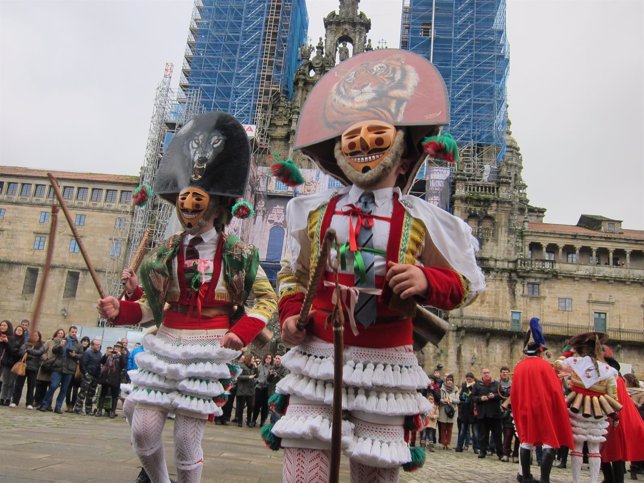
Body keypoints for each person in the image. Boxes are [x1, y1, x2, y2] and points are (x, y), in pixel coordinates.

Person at [266, 49, 485, 482]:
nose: (363, 142)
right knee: (303, 473)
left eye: (377, 133)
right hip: (318, 355)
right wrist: (291, 316)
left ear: (402, 152)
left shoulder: (424, 220)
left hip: (387, 361)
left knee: (375, 475)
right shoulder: (311, 213)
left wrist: (427, 279)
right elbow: (293, 275)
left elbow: (466, 286)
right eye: (352, 135)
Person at [97, 110, 277, 483]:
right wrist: (120, 310)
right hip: (165, 344)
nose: (189, 203)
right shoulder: (166, 249)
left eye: (198, 197)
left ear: (217, 204)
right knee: (143, 429)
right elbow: (150, 307)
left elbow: (265, 300)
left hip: (209, 346)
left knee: (184, 442)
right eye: (184, 197)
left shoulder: (239, 254)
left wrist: (240, 333)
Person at [511, 317, 574, 483]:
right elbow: (555, 390)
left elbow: (514, 392)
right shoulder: (546, 366)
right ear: (540, 350)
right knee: (548, 442)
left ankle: (525, 477)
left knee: (526, 441)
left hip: (524, 408)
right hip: (543, 408)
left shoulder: (519, 367)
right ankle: (544, 479)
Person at [554, 332, 620, 483]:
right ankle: (593, 481)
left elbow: (557, 364)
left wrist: (569, 351)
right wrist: (615, 415)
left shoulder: (574, 362)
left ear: (582, 349)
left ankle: (576, 480)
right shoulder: (609, 371)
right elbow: (613, 397)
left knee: (577, 446)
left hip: (577, 405)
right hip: (598, 409)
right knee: (594, 447)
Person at [600, 357, 644, 483]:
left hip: (614, 419)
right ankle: (609, 479)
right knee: (604, 453)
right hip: (610, 418)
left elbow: (614, 400)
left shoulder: (616, 380)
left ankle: (614, 480)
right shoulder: (614, 379)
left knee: (615, 454)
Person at [39, 325, 82, 414]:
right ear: (69, 332)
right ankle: (44, 404)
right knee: (53, 386)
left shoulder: (78, 344)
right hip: (58, 367)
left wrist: (75, 355)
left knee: (64, 389)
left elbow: (82, 355)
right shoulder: (63, 340)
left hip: (69, 369)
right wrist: (60, 346)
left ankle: (58, 407)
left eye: (75, 332)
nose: (73, 333)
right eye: (72, 332)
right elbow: (54, 351)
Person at [472, 368, 503, 460]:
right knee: (483, 434)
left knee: (497, 434)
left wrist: (494, 396)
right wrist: (480, 398)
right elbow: (473, 397)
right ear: (482, 374)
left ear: (490, 373)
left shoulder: (496, 384)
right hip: (483, 413)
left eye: (488, 373)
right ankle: (483, 451)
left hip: (494, 414)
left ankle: (500, 453)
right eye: (485, 373)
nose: (486, 374)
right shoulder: (477, 385)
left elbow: (502, 395)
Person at [12, 330, 45, 409]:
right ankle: (15, 401)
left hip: (34, 368)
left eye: (36, 336)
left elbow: (39, 352)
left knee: (31, 386)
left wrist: (28, 351)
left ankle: (29, 403)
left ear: (39, 337)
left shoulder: (41, 345)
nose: (35, 337)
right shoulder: (26, 344)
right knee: (18, 385)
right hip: (24, 366)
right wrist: (29, 354)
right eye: (33, 335)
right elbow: (21, 352)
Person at [34, 328, 65, 408]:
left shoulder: (64, 344)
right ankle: (38, 401)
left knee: (51, 386)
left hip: (55, 367)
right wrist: (45, 358)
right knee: (42, 385)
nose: (60, 335)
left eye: (62, 333)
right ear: (56, 334)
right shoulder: (49, 342)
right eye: (59, 333)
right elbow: (43, 351)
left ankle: (48, 404)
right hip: (47, 365)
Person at [74, 338, 102, 415]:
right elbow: (82, 364)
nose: (98, 346)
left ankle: (88, 409)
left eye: (99, 344)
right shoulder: (87, 353)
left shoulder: (99, 353)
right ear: (92, 345)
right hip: (88, 376)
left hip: (95, 376)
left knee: (91, 394)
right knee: (83, 392)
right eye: (97, 344)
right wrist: (86, 374)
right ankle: (78, 408)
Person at [65, 335, 90, 412]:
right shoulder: (78, 347)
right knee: (68, 388)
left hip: (80, 372)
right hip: (73, 369)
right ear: (81, 341)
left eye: (87, 341)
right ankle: (67, 404)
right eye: (84, 341)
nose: (85, 342)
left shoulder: (88, 351)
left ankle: (72, 405)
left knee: (76, 389)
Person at [1, 324, 23, 406]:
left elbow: (21, 352)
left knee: (12, 382)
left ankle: (8, 398)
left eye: (21, 330)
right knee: (5, 382)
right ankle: (2, 398)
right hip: (7, 362)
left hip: (16, 364)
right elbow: (8, 349)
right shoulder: (10, 338)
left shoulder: (23, 341)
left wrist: (15, 351)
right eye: (17, 330)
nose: (19, 331)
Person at [456, 371, 478, 453]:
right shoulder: (464, 385)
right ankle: (459, 446)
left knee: (475, 431)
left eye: (470, 379)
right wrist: (463, 396)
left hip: (473, 411)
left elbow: (476, 396)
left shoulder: (476, 385)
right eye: (467, 379)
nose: (468, 380)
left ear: (473, 378)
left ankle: (476, 448)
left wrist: (471, 395)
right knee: (463, 430)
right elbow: (461, 396)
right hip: (465, 410)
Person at [234, 353, 257, 427]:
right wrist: (248, 377)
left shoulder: (253, 367)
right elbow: (238, 376)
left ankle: (249, 421)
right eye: (253, 358)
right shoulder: (241, 366)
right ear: (249, 359)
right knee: (241, 406)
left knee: (251, 406)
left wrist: (256, 367)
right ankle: (240, 421)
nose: (254, 360)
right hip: (243, 389)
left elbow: (257, 375)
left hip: (251, 390)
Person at [438, 374, 459, 449]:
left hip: (452, 411)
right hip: (444, 410)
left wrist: (452, 400)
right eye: (448, 380)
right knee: (443, 428)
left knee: (449, 428)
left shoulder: (456, 389)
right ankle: (443, 443)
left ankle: (448, 443)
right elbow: (439, 399)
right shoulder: (442, 389)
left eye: (450, 380)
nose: (449, 382)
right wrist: (444, 400)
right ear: (446, 381)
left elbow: (458, 400)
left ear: (452, 381)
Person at [252, 353, 273, 427]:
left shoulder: (272, 368)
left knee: (265, 406)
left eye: (269, 358)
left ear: (271, 360)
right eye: (267, 357)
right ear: (264, 358)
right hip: (259, 387)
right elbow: (255, 375)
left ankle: (262, 421)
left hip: (267, 389)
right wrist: (257, 380)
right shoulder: (260, 367)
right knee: (256, 405)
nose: (268, 359)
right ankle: (253, 420)